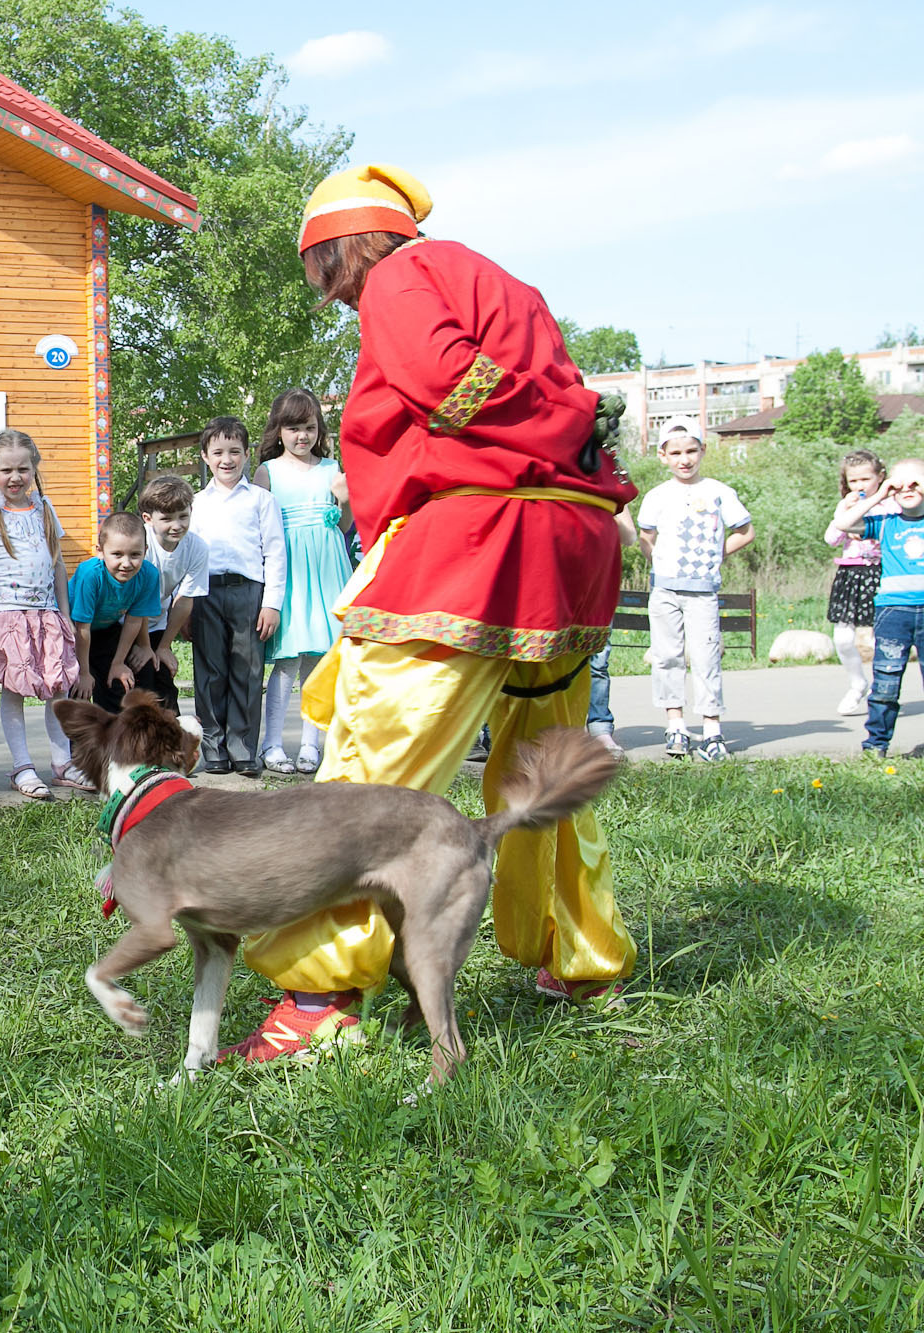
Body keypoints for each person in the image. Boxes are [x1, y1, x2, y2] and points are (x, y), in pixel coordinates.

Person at [228, 163, 640, 1063]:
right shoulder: (502, 281)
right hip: (570, 537)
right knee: (543, 765)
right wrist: (571, 422)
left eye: (324, 276)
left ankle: (320, 996)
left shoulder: (402, 276)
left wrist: (554, 416)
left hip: (477, 541)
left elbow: (447, 378)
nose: (336, 299)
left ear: (343, 252)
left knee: (375, 767)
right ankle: (583, 955)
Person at [0, 430, 81, 799]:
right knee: (15, 690)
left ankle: (63, 762)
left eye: (23, 469)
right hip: (7, 615)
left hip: (46, 614)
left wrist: (65, 616)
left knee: (58, 689)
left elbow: (58, 566)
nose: (15, 477)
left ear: (34, 469)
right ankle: (22, 766)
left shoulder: (45, 509)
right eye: (6, 470)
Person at [637, 419, 754, 762]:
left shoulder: (719, 492)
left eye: (690, 451)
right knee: (667, 655)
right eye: (676, 453)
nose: (684, 459)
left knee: (705, 657)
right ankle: (675, 724)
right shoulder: (658, 495)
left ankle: (712, 731)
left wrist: (716, 556)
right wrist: (657, 562)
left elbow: (745, 532)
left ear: (702, 451)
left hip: (702, 591)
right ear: (663, 456)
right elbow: (646, 537)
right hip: (665, 591)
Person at [254, 388, 353, 774]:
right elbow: (257, 530)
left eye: (309, 427)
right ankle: (272, 744)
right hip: (289, 573)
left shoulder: (331, 469)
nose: (301, 436)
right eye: (293, 428)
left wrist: (345, 501)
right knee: (286, 661)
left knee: (319, 661)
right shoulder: (268, 472)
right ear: (279, 431)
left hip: (328, 570)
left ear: (319, 429)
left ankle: (311, 744)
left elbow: (344, 527)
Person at [187, 416, 286, 777]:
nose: (226, 460)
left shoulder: (261, 500)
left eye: (234, 452)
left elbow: (275, 552)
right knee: (210, 671)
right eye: (218, 452)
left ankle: (243, 747)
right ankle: (214, 748)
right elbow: (189, 553)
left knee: (246, 670)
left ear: (247, 454)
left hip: (249, 592)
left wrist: (271, 602)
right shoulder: (196, 503)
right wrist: (184, 608)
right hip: (206, 592)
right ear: (205, 456)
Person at [829, 457, 924, 760]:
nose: (908, 489)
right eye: (901, 485)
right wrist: (880, 495)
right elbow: (843, 524)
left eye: (916, 484)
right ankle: (876, 745)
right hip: (893, 611)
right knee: (885, 681)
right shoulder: (885, 523)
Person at [67, 511, 159, 712]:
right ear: (100, 551)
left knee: (116, 683)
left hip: (105, 629)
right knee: (78, 690)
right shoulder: (90, 575)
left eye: (135, 555)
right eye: (117, 554)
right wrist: (83, 672)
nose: (126, 563)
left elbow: (134, 621)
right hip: (70, 630)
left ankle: (114, 734)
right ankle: (75, 741)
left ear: (145, 550)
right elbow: (82, 629)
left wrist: (117, 663)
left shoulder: (148, 574)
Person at [133, 474, 209, 714]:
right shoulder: (140, 544)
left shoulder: (196, 547)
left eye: (183, 516)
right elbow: (137, 603)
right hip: (125, 622)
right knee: (140, 680)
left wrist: (163, 646)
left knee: (164, 685)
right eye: (166, 519)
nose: (177, 525)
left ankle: (170, 747)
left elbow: (184, 601)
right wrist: (144, 647)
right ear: (148, 519)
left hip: (156, 623)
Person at [826, 449, 890, 716]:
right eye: (854, 481)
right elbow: (832, 539)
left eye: (866, 479)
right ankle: (857, 684)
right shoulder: (847, 507)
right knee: (842, 638)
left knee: (881, 639)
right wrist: (843, 508)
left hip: (881, 573)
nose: (860, 486)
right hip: (851, 575)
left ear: (880, 478)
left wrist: (878, 499)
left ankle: (882, 691)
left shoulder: (891, 506)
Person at [585, 506, 640, 759]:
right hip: (556, 582)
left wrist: (602, 509)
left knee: (597, 663)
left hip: (596, 584)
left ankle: (599, 728)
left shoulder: (607, 475)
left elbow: (629, 537)